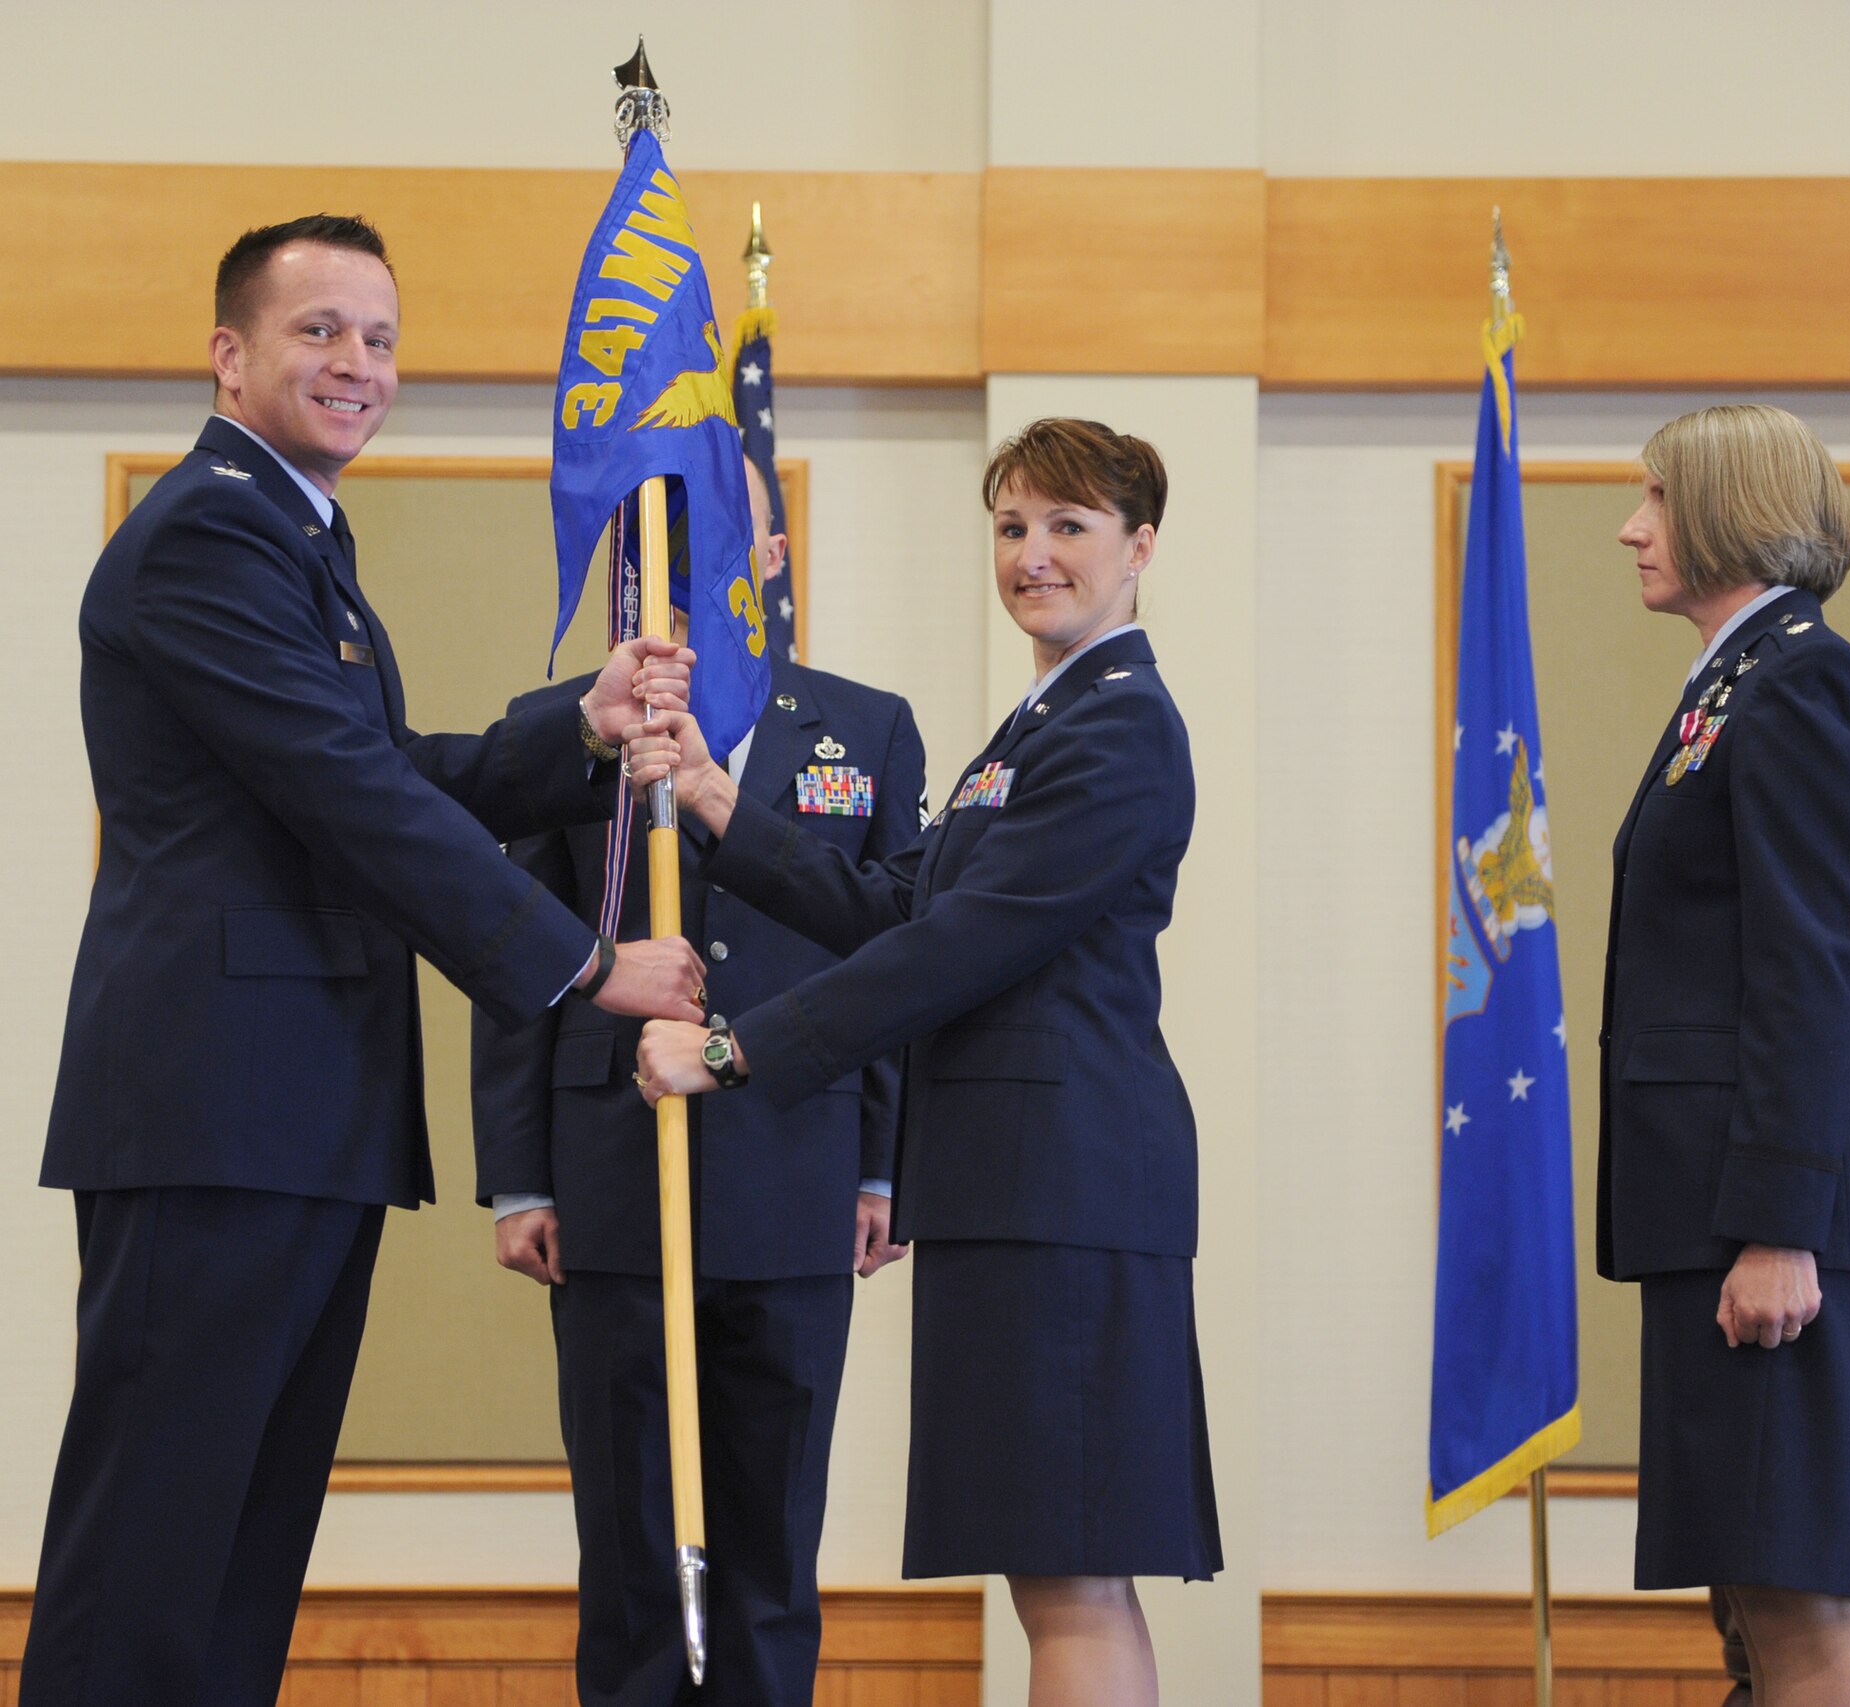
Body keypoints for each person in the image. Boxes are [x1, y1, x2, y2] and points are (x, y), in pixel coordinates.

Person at [23, 214, 705, 1707]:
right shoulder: (208, 531)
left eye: (381, 339)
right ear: (230, 353)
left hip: (296, 1115)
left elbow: (381, 767)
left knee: (241, 1543)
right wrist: (589, 968)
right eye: (319, 330)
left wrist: (571, 730)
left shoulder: (299, 541)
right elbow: (358, 799)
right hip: (214, 1110)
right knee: (152, 1545)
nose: (356, 365)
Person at [622, 417, 1222, 1707]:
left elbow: (960, 947)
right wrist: (729, 814)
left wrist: (736, 1051)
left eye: (1068, 527)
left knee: (1070, 1567)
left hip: (1066, 1186)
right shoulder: (1039, 720)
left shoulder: (1116, 726)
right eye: (1012, 527)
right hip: (1019, 1185)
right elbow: (905, 905)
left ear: (1140, 547)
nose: (1032, 554)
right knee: (1048, 1564)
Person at [470, 454, 927, 1707]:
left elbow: (897, 956)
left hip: (798, 1175)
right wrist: (516, 1175)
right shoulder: (568, 724)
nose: (689, 560)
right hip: (611, 1180)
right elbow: (514, 944)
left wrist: (882, 1160)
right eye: (661, 538)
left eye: (722, 532)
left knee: (772, 1549)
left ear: (769, 556)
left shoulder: (865, 725)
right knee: (626, 1550)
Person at [1603, 404, 1850, 1706]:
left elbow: (1807, 965)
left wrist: (1780, 1225)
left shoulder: (1801, 677)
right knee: (1755, 1590)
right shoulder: (1733, 679)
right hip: (1713, 1203)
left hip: (1768, 1213)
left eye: (1657, 498)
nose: (1631, 526)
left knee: (1796, 1590)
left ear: (1728, 508)